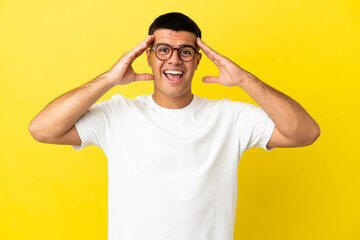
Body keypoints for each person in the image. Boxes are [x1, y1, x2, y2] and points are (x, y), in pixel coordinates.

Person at [29, 12, 320, 240]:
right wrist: (108, 79)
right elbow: (42, 129)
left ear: (197, 60)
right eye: (164, 50)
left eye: (185, 52)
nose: (174, 60)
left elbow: (306, 133)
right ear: (148, 55)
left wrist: (245, 80)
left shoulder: (230, 117)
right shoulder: (117, 113)